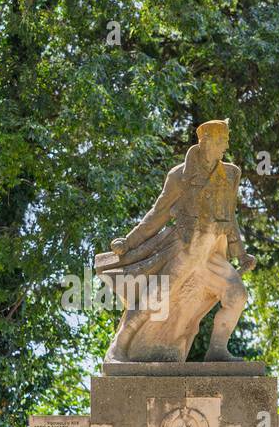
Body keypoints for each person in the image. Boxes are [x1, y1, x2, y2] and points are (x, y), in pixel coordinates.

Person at [95, 120, 256, 362]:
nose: (226, 145)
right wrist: (129, 242)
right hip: (185, 248)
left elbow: (229, 216)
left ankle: (217, 351)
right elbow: (158, 213)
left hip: (212, 254)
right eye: (221, 140)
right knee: (153, 300)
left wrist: (240, 254)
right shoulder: (180, 175)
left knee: (237, 295)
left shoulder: (231, 174)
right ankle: (118, 350)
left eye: (226, 140)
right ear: (205, 142)